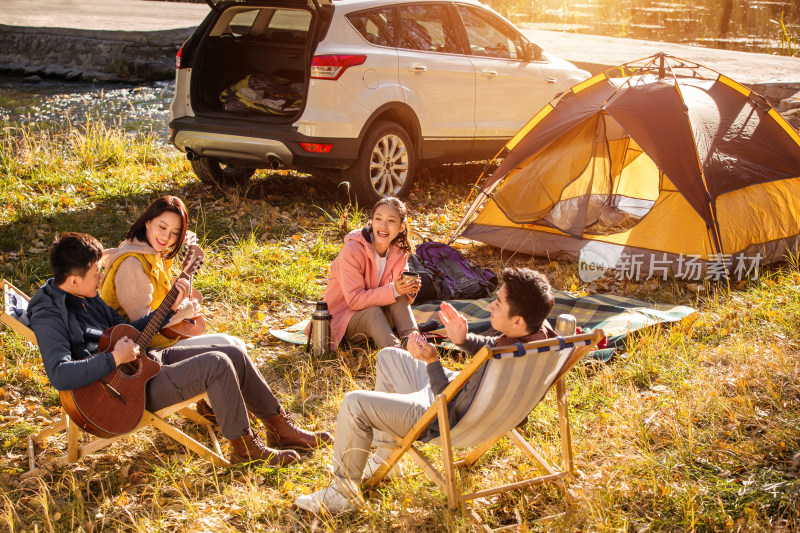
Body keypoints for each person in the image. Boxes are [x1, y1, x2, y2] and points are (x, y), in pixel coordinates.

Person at [28, 232, 332, 467]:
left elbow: (128, 330)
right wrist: (113, 358)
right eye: (96, 273)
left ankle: (279, 427)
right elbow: (59, 375)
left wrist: (171, 315)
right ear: (73, 279)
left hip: (141, 362)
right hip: (120, 396)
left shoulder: (83, 292)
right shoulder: (49, 315)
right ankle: (245, 449)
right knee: (216, 364)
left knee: (233, 350)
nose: (101, 278)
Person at [295, 267, 556, 513]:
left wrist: (433, 361)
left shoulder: (504, 363)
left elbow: (446, 406)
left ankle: (343, 493)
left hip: (446, 418)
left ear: (518, 321)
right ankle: (386, 458)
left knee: (355, 403)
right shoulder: (542, 338)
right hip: (482, 409)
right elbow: (494, 346)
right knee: (389, 356)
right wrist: (464, 339)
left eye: (498, 304)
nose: (490, 306)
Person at [100, 195, 239, 351]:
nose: (166, 238)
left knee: (234, 344)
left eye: (175, 233)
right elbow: (143, 325)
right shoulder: (132, 264)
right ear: (147, 222)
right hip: (139, 350)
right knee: (230, 345)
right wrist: (184, 309)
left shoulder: (151, 252)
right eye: (162, 227)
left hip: (159, 337)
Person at [315, 197, 421, 351]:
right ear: (371, 222)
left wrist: (409, 289)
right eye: (378, 219)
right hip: (342, 322)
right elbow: (354, 301)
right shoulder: (352, 250)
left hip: (378, 319)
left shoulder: (399, 252)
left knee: (397, 297)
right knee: (375, 311)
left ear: (401, 227)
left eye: (391, 221)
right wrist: (394, 289)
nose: (383, 226)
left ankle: (413, 342)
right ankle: (396, 353)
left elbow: (398, 299)